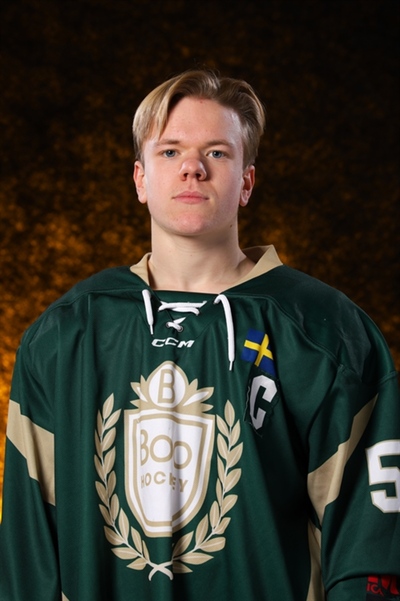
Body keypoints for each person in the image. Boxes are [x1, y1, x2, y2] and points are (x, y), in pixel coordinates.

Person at [0, 69, 399, 601]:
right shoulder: (66, 332)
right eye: (170, 152)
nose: (192, 167)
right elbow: (27, 555)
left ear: (247, 182)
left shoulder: (326, 331)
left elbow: (370, 549)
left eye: (216, 152)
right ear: (140, 179)